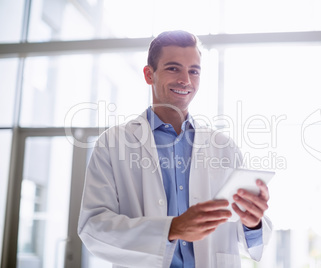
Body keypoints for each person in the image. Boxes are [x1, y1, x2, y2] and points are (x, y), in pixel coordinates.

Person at [78, 30, 272, 268]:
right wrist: (171, 229)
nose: (186, 80)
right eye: (173, 68)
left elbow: (248, 239)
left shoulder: (224, 148)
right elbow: (93, 228)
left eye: (194, 71)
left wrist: (253, 222)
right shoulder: (113, 143)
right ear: (149, 75)